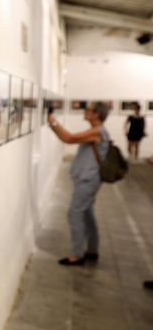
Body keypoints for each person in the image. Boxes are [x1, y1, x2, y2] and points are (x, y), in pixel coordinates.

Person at [47, 101, 110, 266]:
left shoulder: (97, 132)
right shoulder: (96, 131)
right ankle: (92, 250)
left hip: (88, 179)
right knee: (87, 213)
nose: (85, 111)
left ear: (96, 114)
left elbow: (69, 138)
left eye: (88, 109)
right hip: (88, 178)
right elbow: (68, 138)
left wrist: (52, 120)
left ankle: (77, 254)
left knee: (74, 213)